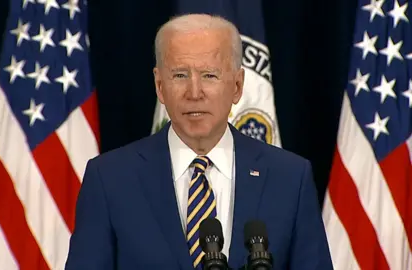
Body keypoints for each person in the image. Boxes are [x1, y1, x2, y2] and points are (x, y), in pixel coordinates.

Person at [65, 13, 333, 270]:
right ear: (159, 86)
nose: (194, 93)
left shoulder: (289, 179)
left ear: (237, 86)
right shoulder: (110, 179)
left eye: (209, 75)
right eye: (180, 75)